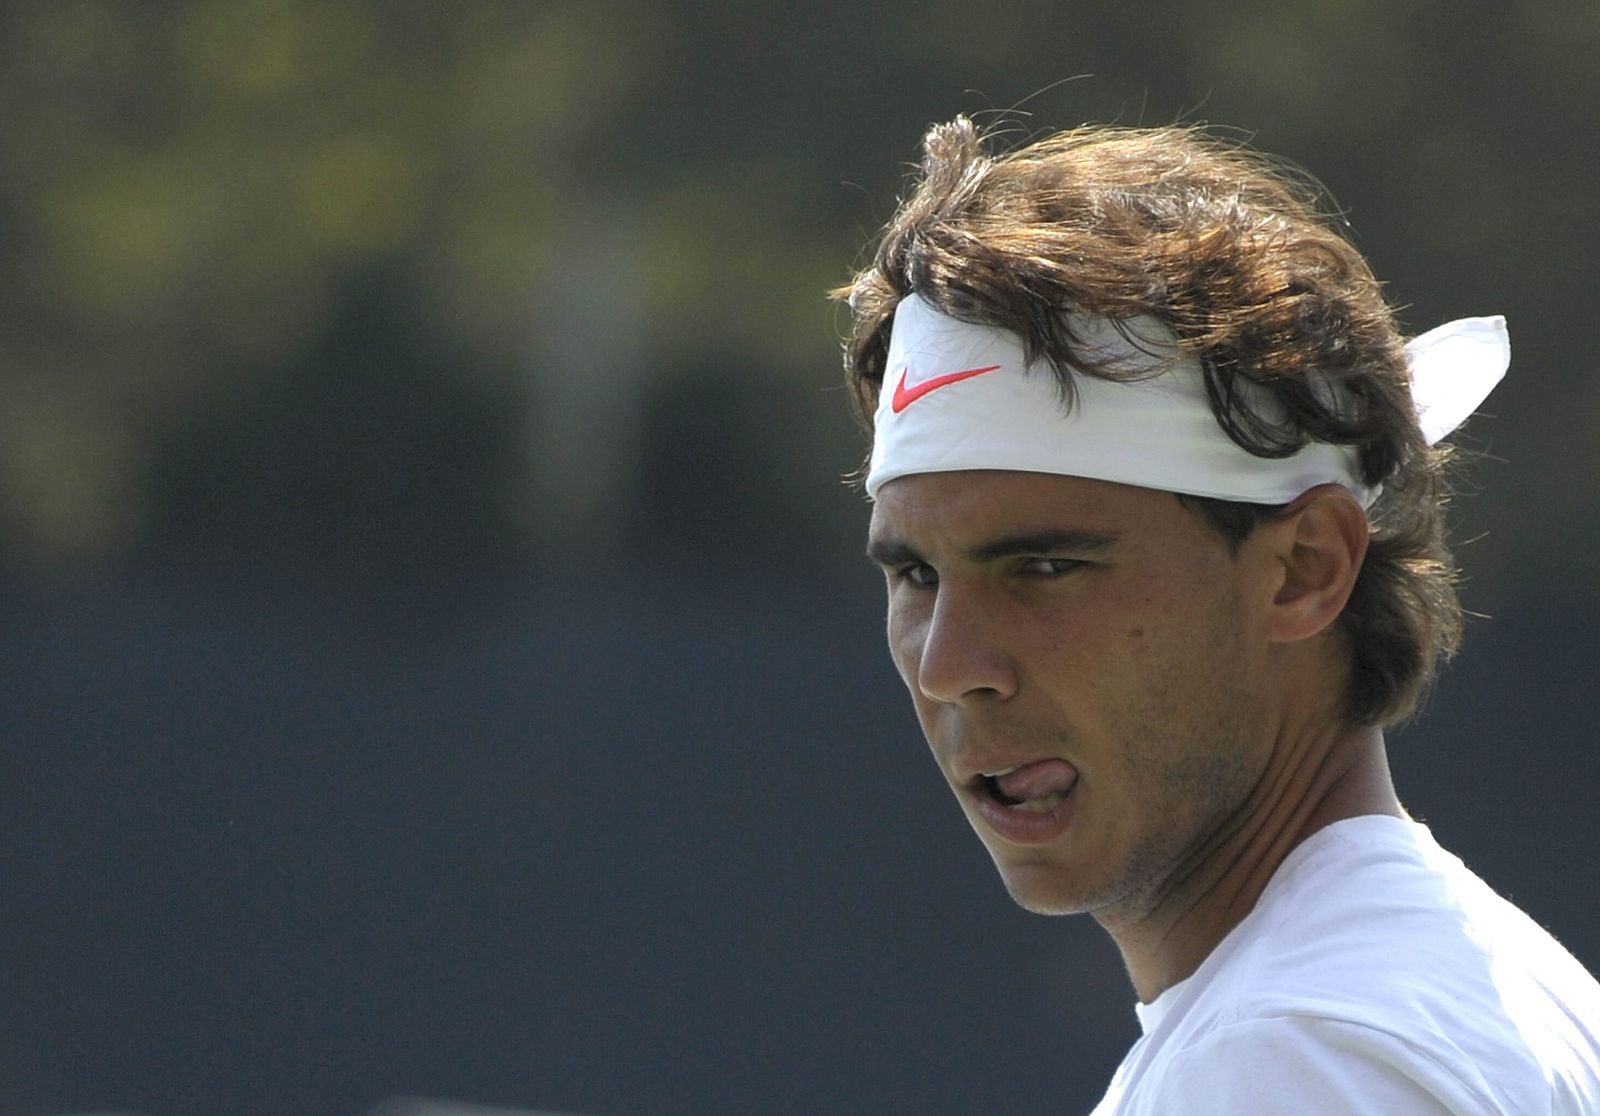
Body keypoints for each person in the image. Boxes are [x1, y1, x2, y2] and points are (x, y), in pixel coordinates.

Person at [834, 116, 1600, 1114]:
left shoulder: (1292, 1054)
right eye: (916, 578)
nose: (949, 665)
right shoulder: (1431, 997)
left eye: (1047, 564)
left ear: (1302, 570)